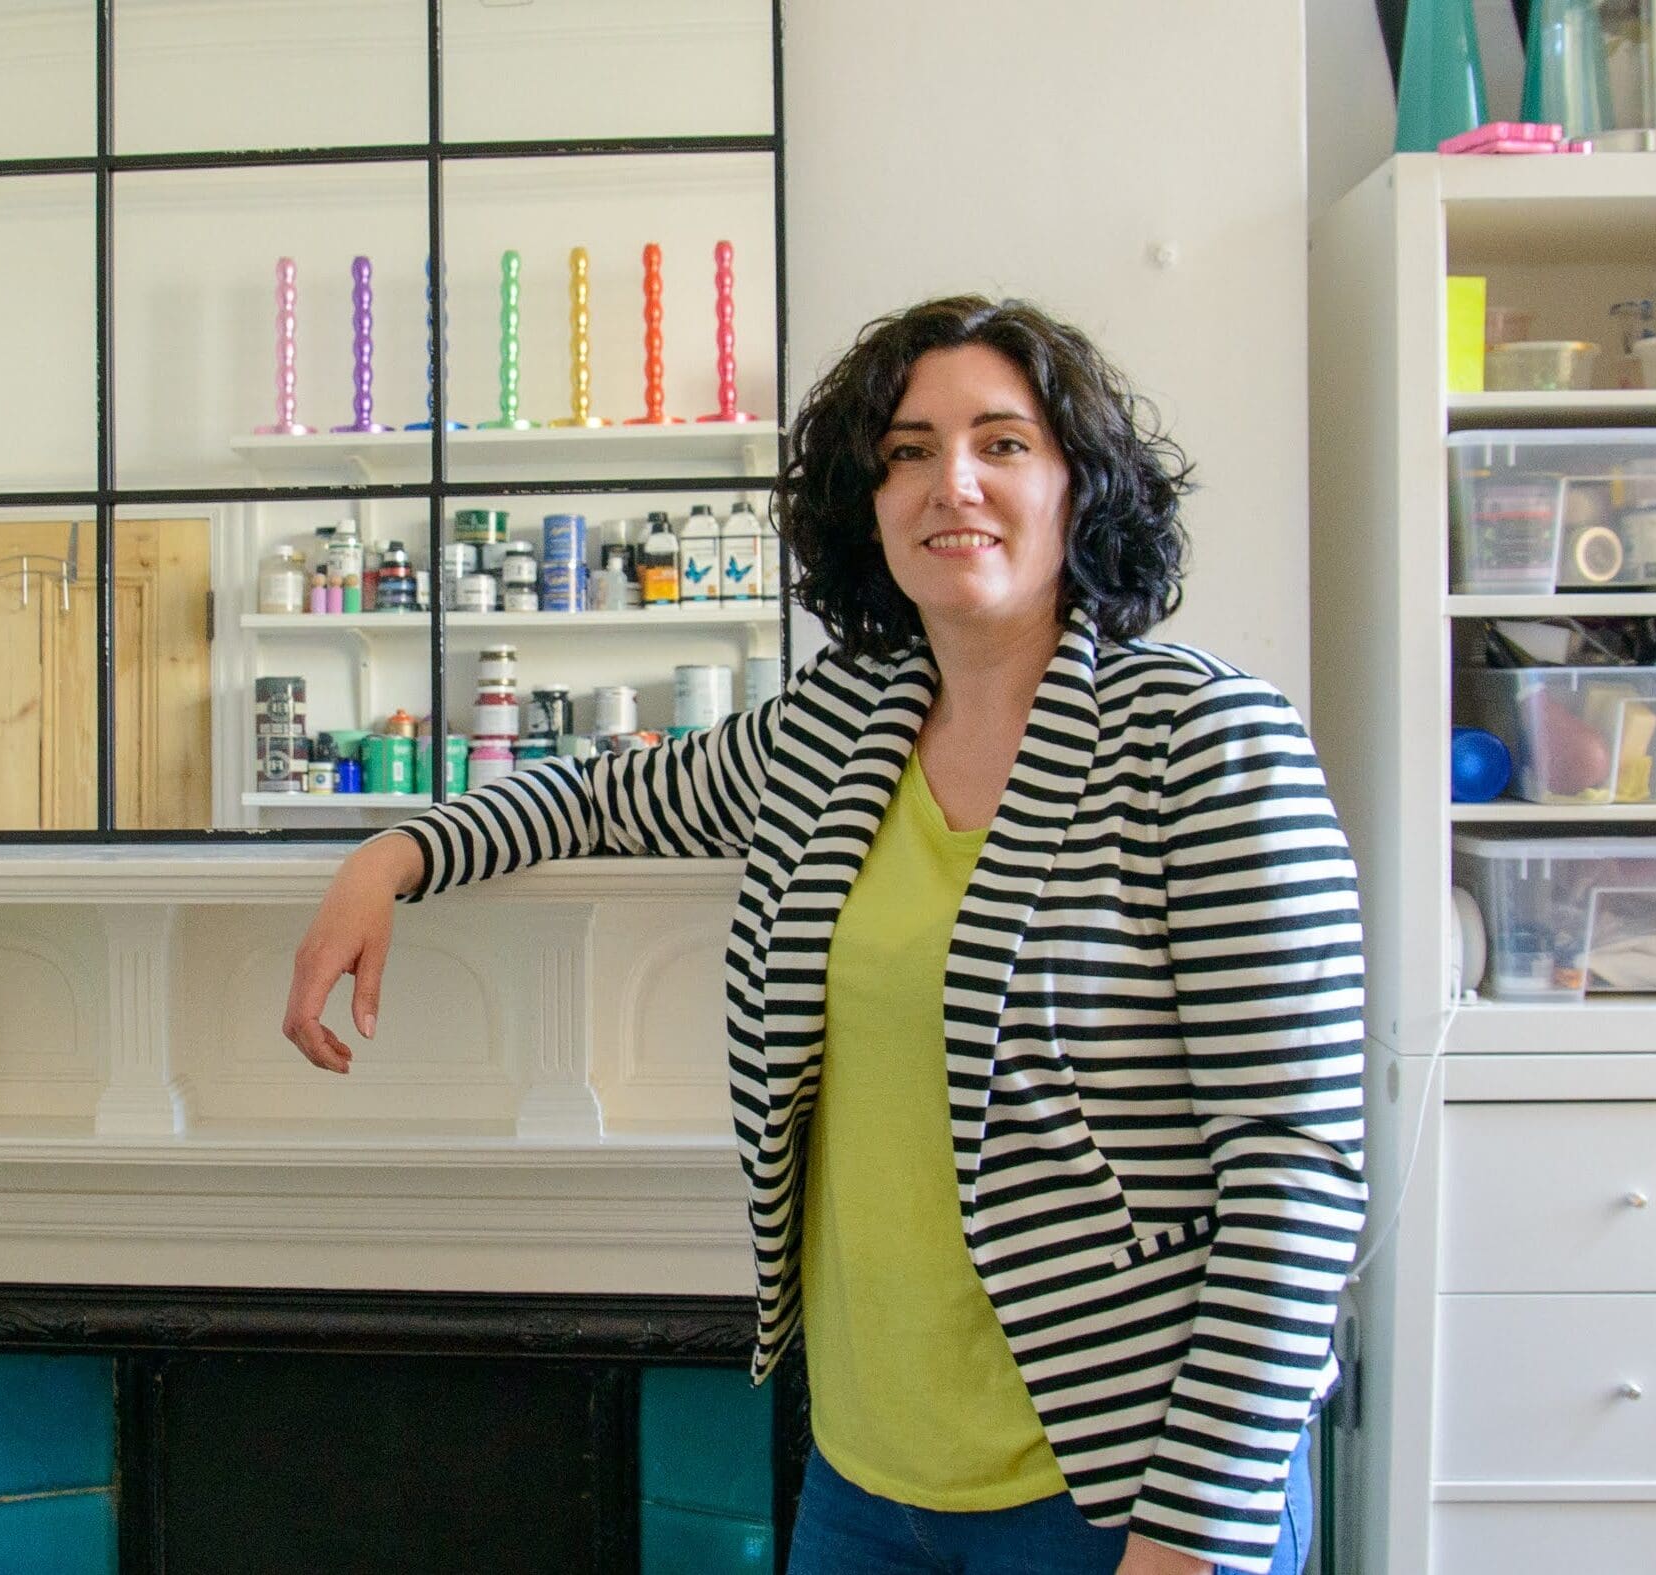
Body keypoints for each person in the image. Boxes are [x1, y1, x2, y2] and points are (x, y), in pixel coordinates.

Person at [283, 296, 1365, 1575]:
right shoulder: (834, 727)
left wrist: (1190, 1538)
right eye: (907, 452)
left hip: (1119, 1487)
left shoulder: (1205, 740)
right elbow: (605, 793)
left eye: (1002, 442)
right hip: (863, 1480)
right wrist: (392, 856)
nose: (951, 482)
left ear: (1080, 483)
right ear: (869, 502)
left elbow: (1295, 1173)